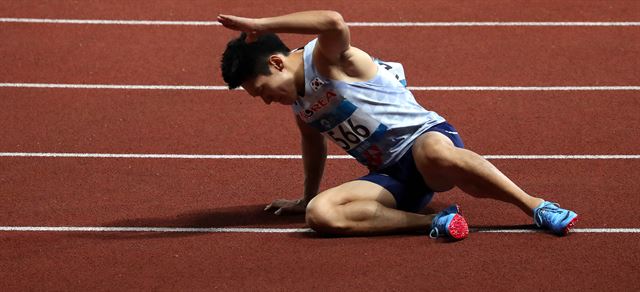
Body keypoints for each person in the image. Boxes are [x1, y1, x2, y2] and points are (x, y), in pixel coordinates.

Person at [218, 10, 578, 239]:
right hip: (394, 177)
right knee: (320, 215)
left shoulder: (326, 60)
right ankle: (432, 221)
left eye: (262, 91)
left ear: (278, 63)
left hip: (426, 144)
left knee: (437, 152)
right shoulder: (299, 100)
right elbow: (313, 143)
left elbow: (334, 21)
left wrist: (262, 25)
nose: (266, 101)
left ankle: (537, 207)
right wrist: (308, 195)